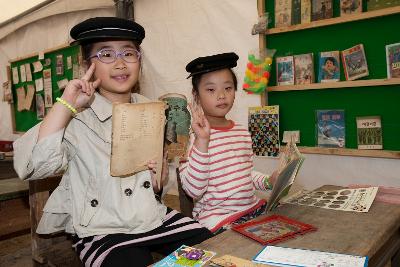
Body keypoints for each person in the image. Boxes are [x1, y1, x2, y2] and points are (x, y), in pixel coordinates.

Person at [13, 17, 212, 267]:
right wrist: (66, 107)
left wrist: (157, 181)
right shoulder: (74, 115)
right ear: (87, 65)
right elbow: (34, 166)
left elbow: (156, 183)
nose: (120, 63)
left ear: (139, 60)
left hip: (152, 218)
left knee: (213, 249)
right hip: (102, 229)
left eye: (128, 53)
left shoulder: (151, 109)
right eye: (106, 54)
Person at [179, 52, 277, 234]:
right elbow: (193, 190)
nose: (221, 95)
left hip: (251, 210)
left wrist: (268, 181)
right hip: (217, 220)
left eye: (228, 88)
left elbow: (244, 174)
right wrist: (203, 142)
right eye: (210, 90)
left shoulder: (241, 131)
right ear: (196, 95)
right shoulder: (192, 139)